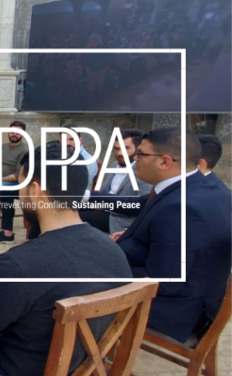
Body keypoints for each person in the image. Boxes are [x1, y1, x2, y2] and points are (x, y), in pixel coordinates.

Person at [0, 143, 132, 376]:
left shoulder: (17, 265)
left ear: (35, 190)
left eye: (21, 185)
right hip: (85, 373)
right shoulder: (114, 251)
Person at [88, 128, 232, 344]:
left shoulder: (182, 208)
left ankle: (81, 362)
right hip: (186, 293)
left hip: (173, 311)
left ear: (165, 161)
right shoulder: (203, 185)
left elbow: (164, 282)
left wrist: (104, 263)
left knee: (67, 289)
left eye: (141, 154)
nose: (134, 159)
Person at [79, 128, 151, 233]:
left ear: (138, 149)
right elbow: (104, 192)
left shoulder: (144, 171)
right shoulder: (114, 165)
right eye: (117, 149)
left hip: (122, 219)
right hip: (104, 209)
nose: (120, 153)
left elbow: (142, 208)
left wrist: (104, 205)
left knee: (79, 217)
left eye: (126, 148)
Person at [58, 124, 98, 191]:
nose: (68, 143)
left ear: (80, 141)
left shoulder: (88, 161)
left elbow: (75, 188)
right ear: (60, 142)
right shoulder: (60, 156)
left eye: (72, 139)